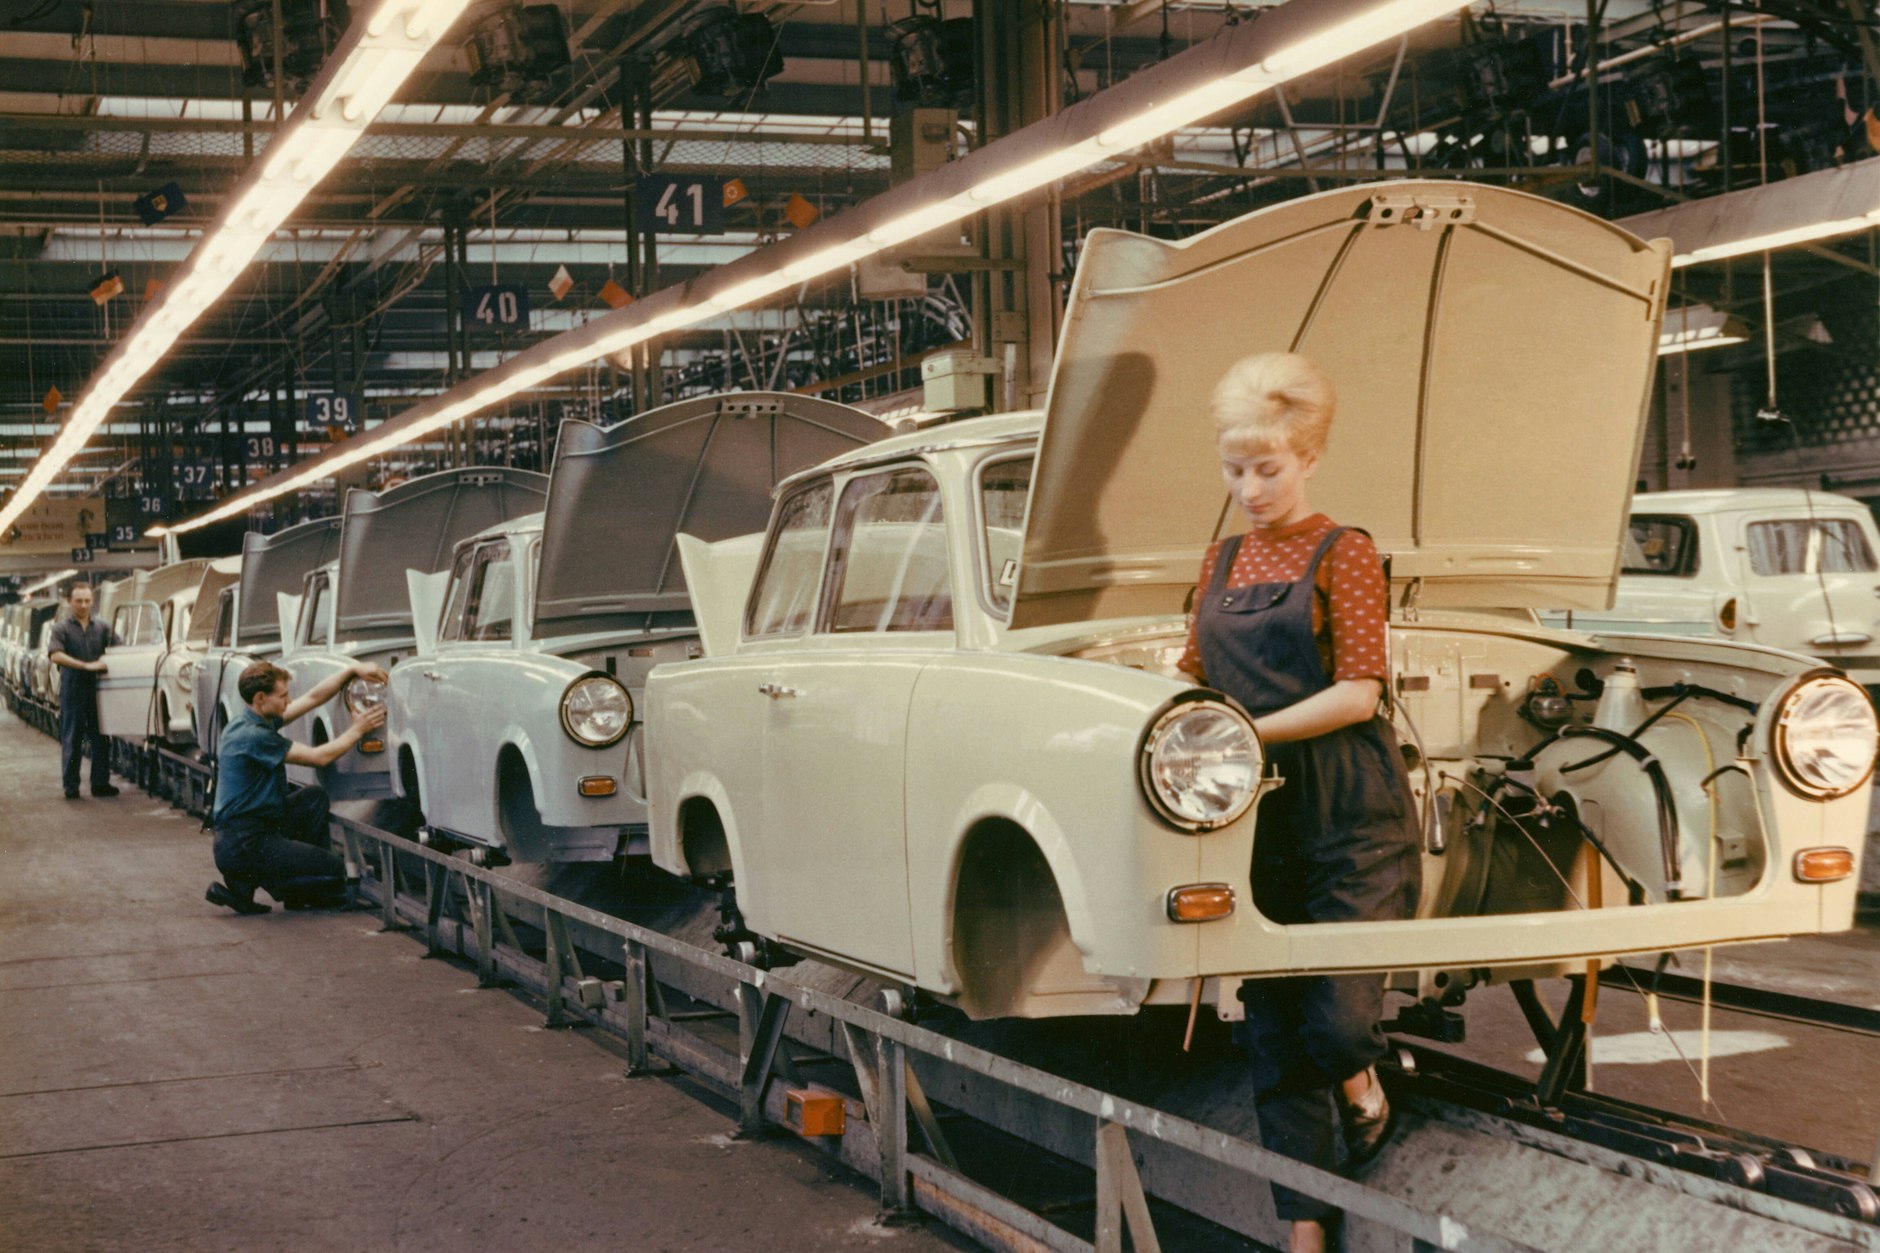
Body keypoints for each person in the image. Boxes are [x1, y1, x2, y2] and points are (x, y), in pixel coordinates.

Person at [1175, 352, 1421, 1253]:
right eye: (1235, 470)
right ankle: (1305, 1235)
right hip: (1254, 814)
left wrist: (1241, 735)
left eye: (1267, 469)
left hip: (1350, 807)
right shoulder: (1220, 559)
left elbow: (1360, 692)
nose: (1249, 489)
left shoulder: (1344, 552)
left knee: (1338, 1019)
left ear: (1309, 458)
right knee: (1273, 1032)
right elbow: (1191, 677)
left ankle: (1362, 1083)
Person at [204, 659, 388, 915]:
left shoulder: (249, 720)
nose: (288, 702)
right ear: (260, 698)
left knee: (313, 798)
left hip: (249, 830)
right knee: (334, 868)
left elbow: (312, 698)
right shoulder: (255, 736)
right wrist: (359, 729)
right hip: (246, 842)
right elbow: (319, 757)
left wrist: (351, 671)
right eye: (283, 696)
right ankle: (287, 883)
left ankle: (281, 887)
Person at [46, 582, 119, 800]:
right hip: (73, 689)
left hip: (99, 691)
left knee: (101, 737)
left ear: (93, 601)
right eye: (78, 601)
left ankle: (100, 783)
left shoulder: (103, 628)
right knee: (72, 738)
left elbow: (120, 649)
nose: (83, 605)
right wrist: (85, 666)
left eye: (87, 600)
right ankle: (71, 786)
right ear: (69, 602)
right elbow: (55, 655)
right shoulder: (61, 628)